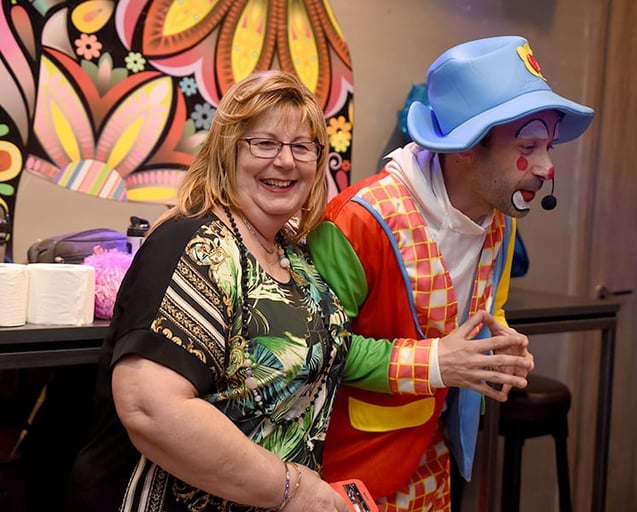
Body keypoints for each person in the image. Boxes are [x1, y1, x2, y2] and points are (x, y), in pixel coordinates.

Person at [64, 69, 532, 512]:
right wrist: (291, 488)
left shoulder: (296, 257)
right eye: (264, 143)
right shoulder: (195, 243)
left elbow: (341, 353)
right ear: (228, 152)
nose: (285, 160)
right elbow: (151, 408)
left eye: (302, 147)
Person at [308, 35, 595, 511]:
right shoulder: (357, 223)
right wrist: (440, 364)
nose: (546, 168)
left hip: (432, 465)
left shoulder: (498, 220)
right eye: (529, 145)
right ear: (464, 147)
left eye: (548, 146)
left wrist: (500, 349)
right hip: (347, 476)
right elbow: (314, 353)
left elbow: (488, 310)